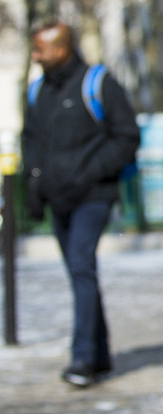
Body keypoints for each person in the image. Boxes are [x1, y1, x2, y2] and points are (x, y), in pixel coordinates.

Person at [23, 21, 140, 387]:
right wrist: (34, 189)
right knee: (80, 272)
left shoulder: (98, 83)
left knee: (80, 267)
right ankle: (100, 356)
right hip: (59, 198)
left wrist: (90, 173)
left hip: (93, 195)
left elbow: (127, 136)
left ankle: (83, 359)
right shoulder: (37, 90)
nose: (35, 55)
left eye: (40, 49)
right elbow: (31, 141)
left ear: (61, 49)